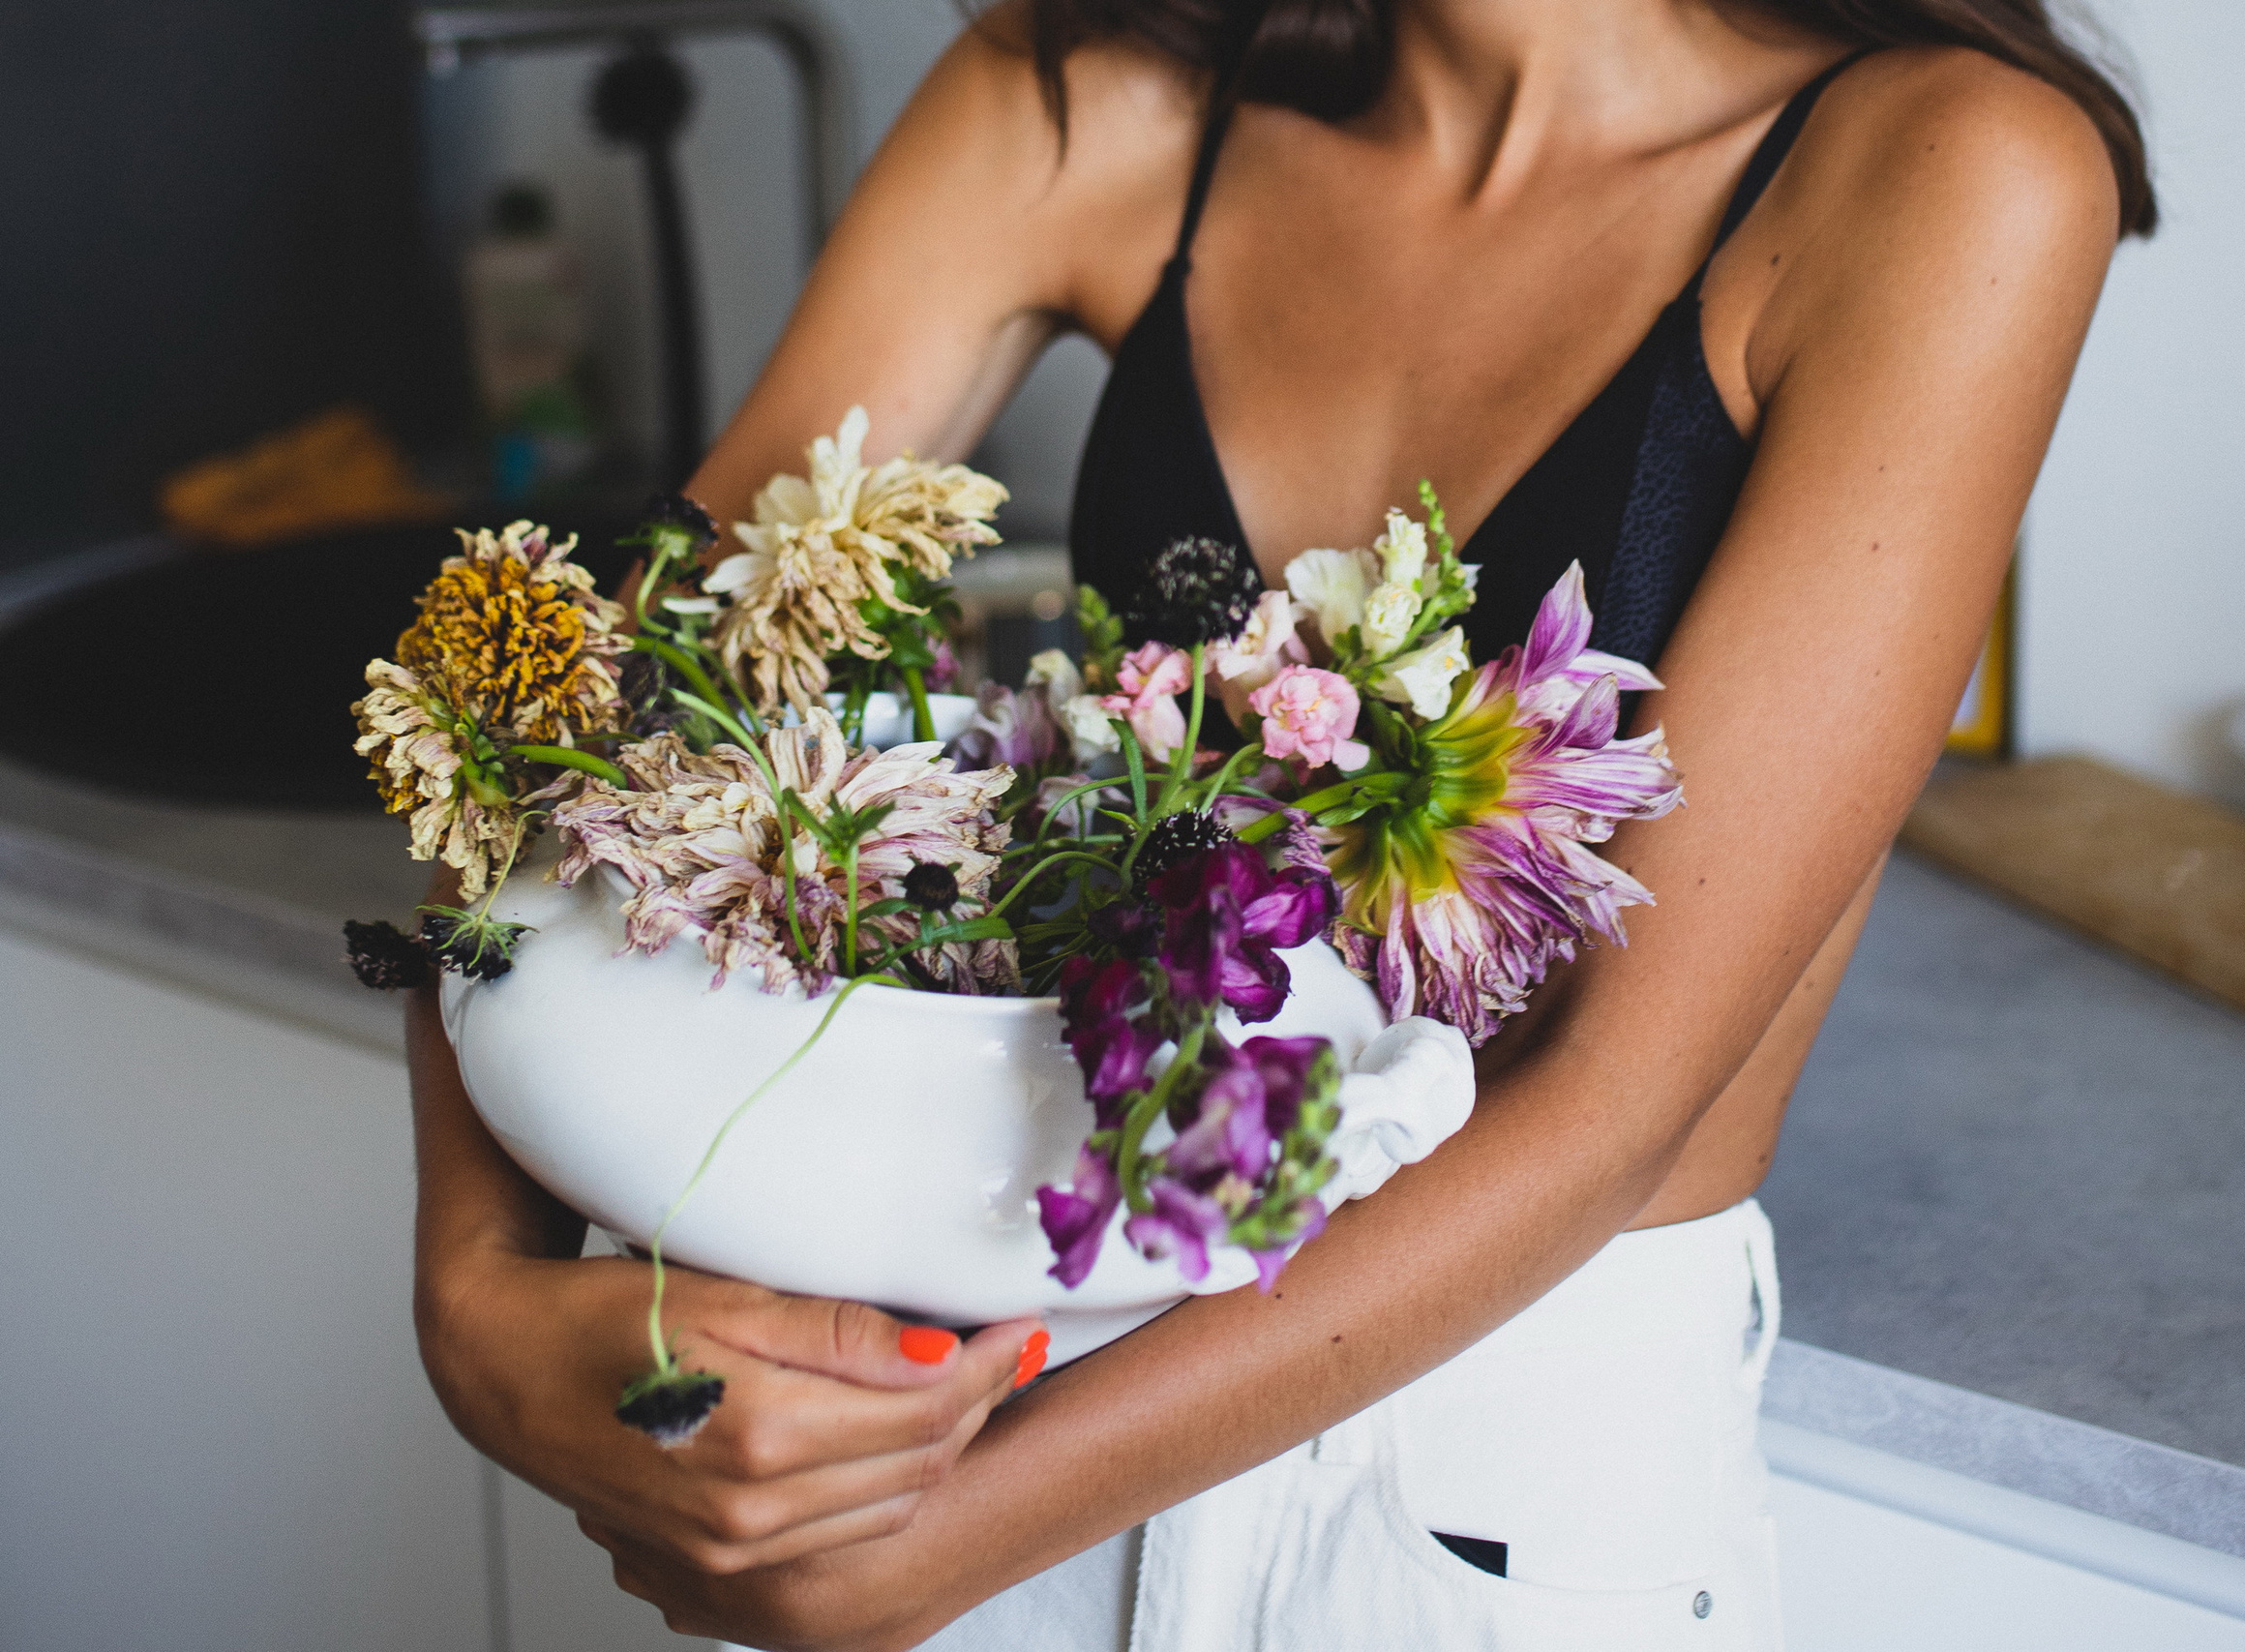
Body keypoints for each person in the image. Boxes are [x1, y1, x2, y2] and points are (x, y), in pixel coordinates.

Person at [406, 1, 2145, 1646]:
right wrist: (478, 1302)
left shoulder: (1948, 168)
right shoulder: (1085, 96)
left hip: (1465, 1494)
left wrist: (972, 1529)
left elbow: (1615, 1092)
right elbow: (551, 727)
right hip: (977, 1359)